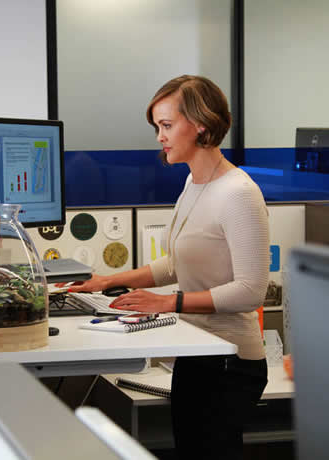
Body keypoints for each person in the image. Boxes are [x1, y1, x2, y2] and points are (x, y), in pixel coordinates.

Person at [66, 75, 269, 459]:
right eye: (157, 127)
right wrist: (107, 281)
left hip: (230, 362)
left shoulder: (238, 193)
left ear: (201, 123)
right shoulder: (195, 183)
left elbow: (251, 290)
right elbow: (177, 262)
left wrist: (167, 304)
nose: (159, 136)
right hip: (200, 356)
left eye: (166, 125)